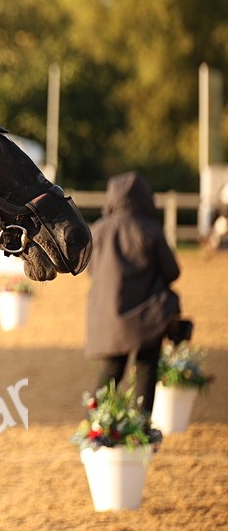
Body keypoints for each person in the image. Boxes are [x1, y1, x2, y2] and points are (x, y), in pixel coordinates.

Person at [85, 171, 181, 414]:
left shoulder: (98, 230)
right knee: (146, 370)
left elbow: (90, 270)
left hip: (110, 315)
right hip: (148, 316)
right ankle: (140, 426)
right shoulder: (150, 229)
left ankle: (96, 425)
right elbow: (172, 271)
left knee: (111, 371)